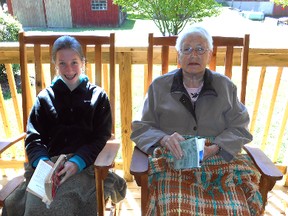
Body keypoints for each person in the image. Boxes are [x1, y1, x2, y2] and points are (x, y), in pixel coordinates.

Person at [131, 26, 263, 215]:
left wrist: (216, 146)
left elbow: (239, 127)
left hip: (219, 163)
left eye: (200, 49)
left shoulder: (225, 86)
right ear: (179, 56)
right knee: (175, 211)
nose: (194, 54)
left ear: (209, 55)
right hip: (175, 165)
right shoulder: (159, 87)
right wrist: (164, 139)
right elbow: (141, 127)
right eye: (187, 49)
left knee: (237, 211)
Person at [3, 35, 126, 216]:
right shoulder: (44, 98)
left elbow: (101, 137)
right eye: (62, 63)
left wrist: (77, 161)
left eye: (74, 62)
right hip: (47, 168)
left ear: (83, 62)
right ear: (55, 65)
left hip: (83, 167)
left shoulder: (98, 97)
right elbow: (33, 137)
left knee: (62, 208)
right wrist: (42, 161)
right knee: (34, 210)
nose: (69, 69)